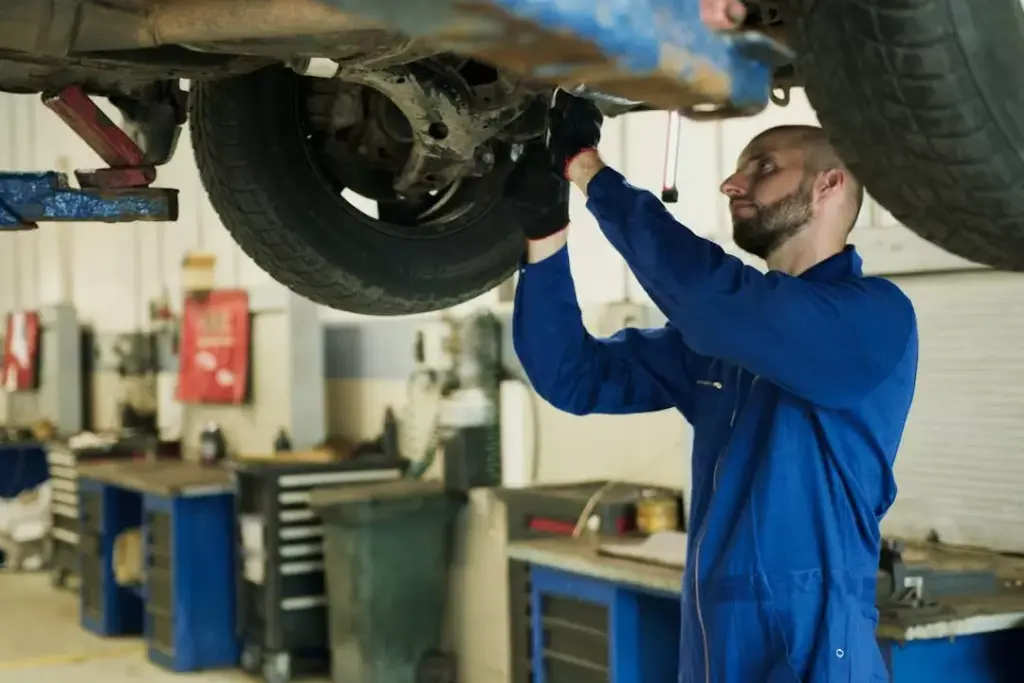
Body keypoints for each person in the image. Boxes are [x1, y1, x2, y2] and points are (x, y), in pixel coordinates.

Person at [507, 93, 918, 683]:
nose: (731, 182)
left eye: (764, 166)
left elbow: (715, 300)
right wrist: (545, 240)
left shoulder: (872, 319)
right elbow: (572, 375)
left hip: (812, 652)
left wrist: (590, 171)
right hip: (712, 649)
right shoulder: (724, 339)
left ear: (830, 185)